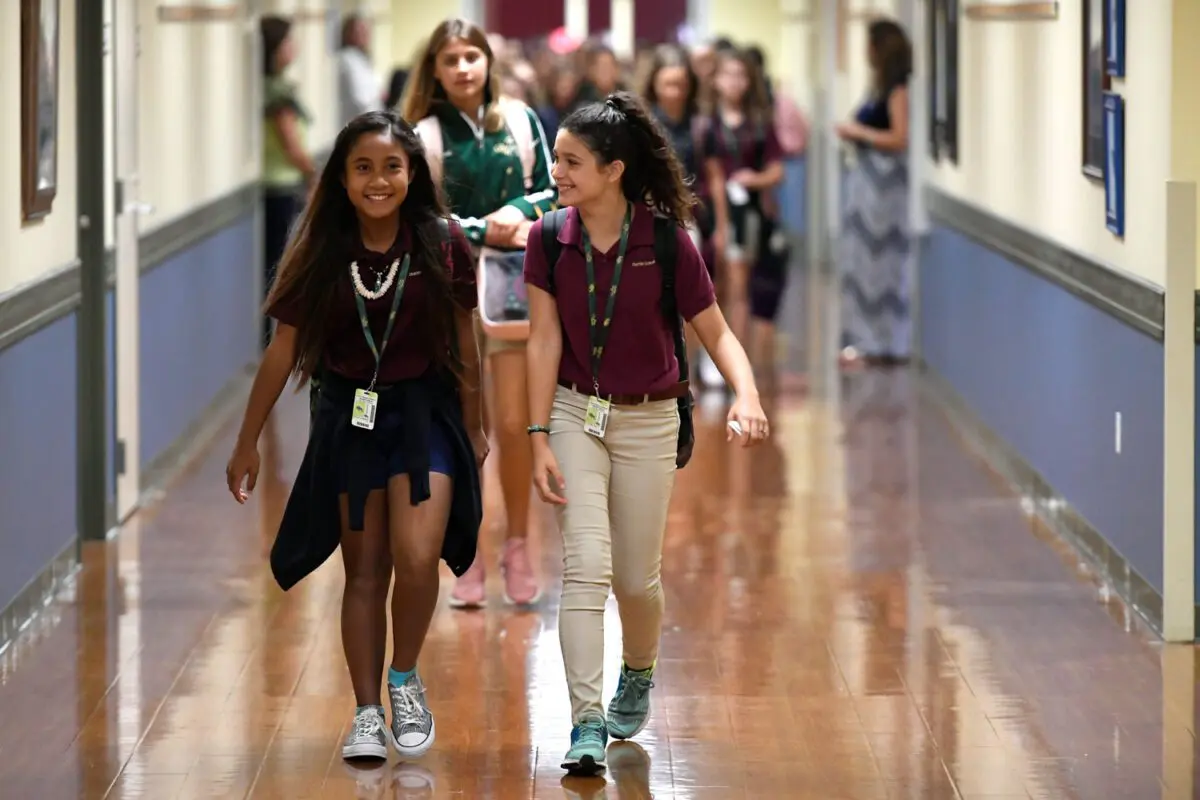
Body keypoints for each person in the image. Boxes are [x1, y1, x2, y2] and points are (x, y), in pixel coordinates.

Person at [224, 110, 486, 763]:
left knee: (419, 554)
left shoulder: (442, 240)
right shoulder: (320, 250)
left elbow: (465, 340)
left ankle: (404, 679)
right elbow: (282, 351)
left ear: (411, 173)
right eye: (363, 168)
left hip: (426, 416)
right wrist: (246, 440)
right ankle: (367, 711)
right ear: (341, 178)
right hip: (350, 422)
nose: (378, 180)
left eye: (392, 167)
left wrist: (478, 426)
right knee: (366, 570)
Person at [523, 91, 770, 776]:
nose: (559, 172)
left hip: (650, 417)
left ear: (614, 170)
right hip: (577, 410)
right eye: (558, 159)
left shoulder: (666, 241)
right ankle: (586, 722)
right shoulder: (549, 239)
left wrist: (747, 393)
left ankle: (638, 667)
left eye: (572, 162)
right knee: (585, 567)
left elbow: (715, 331)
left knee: (635, 578)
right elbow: (542, 341)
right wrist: (538, 434)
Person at [401, 18, 556, 609]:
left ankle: (519, 543)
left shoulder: (520, 121)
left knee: (515, 426)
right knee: (467, 429)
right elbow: (419, 214)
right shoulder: (422, 134)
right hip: (449, 295)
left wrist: (515, 211)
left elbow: (552, 187)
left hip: (515, 291)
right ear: (435, 70)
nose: (464, 67)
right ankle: (465, 552)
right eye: (451, 59)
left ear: (488, 61)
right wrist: (479, 230)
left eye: (472, 56)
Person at [836, 19, 912, 367]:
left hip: (884, 188)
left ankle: (881, 342)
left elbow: (899, 138)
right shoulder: (878, 88)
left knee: (879, 269)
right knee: (860, 265)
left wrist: (859, 132)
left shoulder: (898, 91)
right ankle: (862, 338)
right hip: (866, 184)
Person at [260, 15, 315, 349]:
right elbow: (292, 143)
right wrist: (314, 174)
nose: (293, 48)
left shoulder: (277, 86)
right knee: (276, 267)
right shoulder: (277, 94)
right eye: (287, 43)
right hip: (279, 185)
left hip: (280, 185)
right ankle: (273, 340)